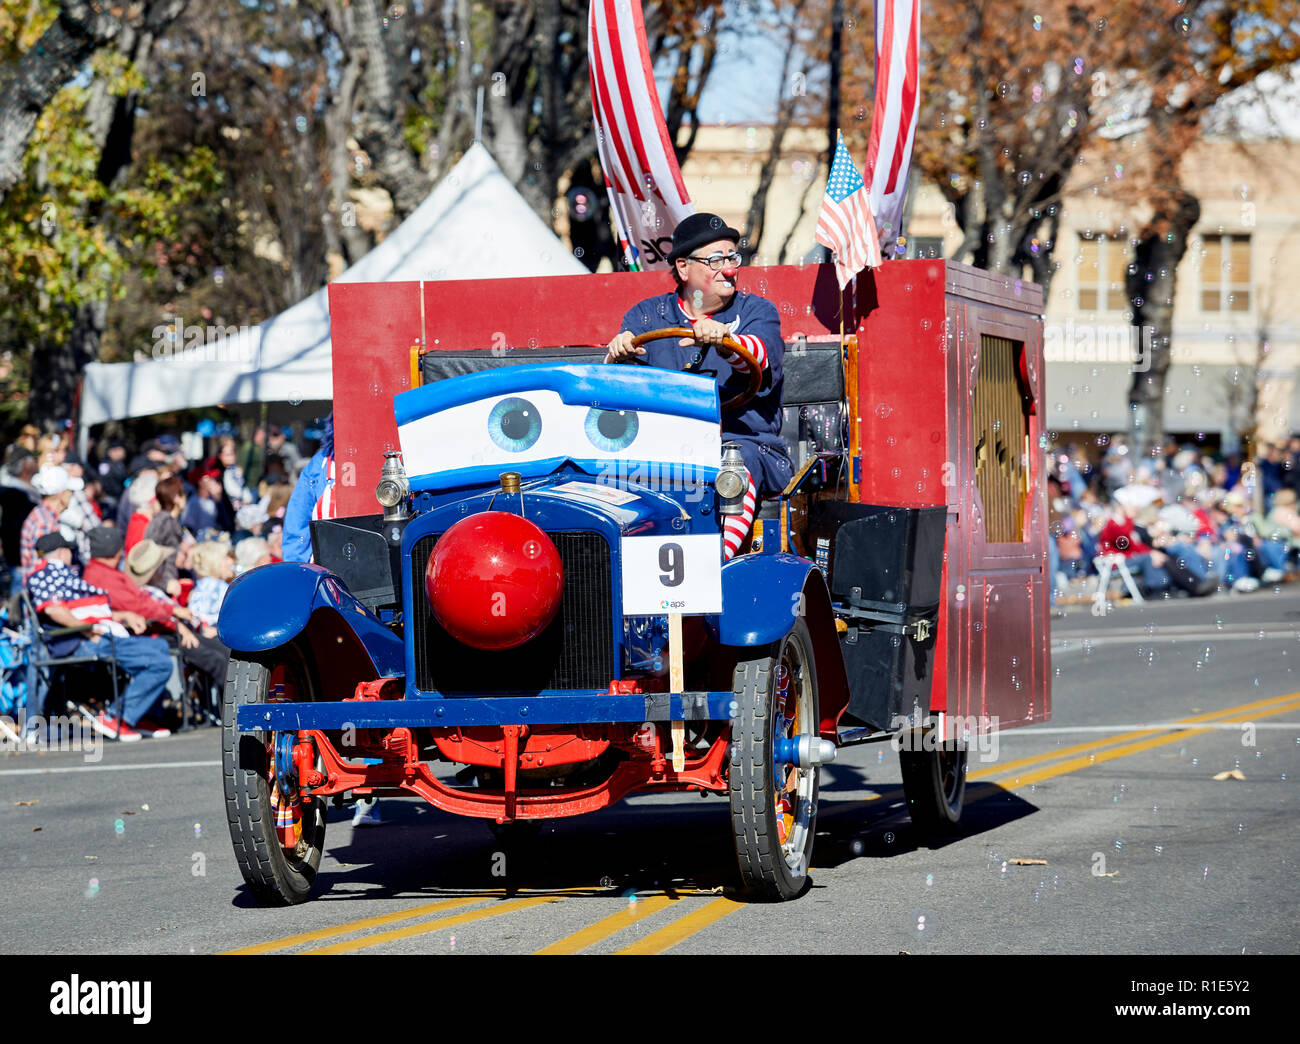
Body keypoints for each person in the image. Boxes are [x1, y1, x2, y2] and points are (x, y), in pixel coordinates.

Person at [604, 213, 792, 559]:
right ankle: (620, 565)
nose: (730, 269)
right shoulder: (646, 316)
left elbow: (763, 359)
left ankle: (714, 564)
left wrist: (727, 341)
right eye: (716, 259)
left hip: (746, 443)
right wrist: (618, 355)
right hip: (665, 447)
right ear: (684, 267)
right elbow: (618, 392)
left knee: (734, 459)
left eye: (733, 257)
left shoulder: (757, 311)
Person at [24, 532, 174, 740]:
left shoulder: (60, 574)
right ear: (62, 552)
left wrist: (124, 616)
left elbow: (79, 608)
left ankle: (141, 716)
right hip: (79, 640)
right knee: (161, 663)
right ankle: (116, 717)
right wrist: (89, 629)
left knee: (160, 648)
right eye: (69, 550)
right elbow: (54, 610)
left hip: (92, 633)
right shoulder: (46, 575)